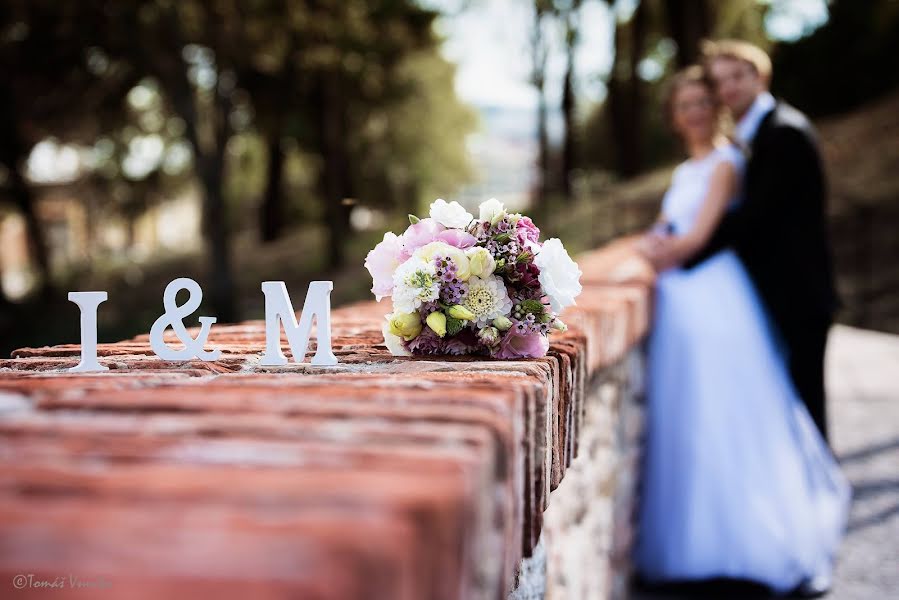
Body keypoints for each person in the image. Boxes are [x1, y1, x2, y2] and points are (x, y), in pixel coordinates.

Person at [633, 65, 849, 597]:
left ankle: (761, 542)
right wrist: (655, 243)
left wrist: (658, 252)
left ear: (717, 109)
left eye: (703, 103)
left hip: (713, 297)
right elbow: (668, 228)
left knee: (730, 415)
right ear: (675, 118)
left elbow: (696, 238)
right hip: (683, 298)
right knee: (690, 417)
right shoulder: (689, 168)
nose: (696, 113)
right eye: (685, 106)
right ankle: (698, 539)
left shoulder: (729, 162)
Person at [645, 39, 838, 443]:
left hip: (798, 291)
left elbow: (752, 219)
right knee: (787, 401)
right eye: (721, 81)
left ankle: (819, 492)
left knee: (805, 406)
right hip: (773, 288)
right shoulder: (755, 133)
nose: (728, 88)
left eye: (737, 77)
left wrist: (686, 253)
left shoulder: (783, 131)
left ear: (760, 75)